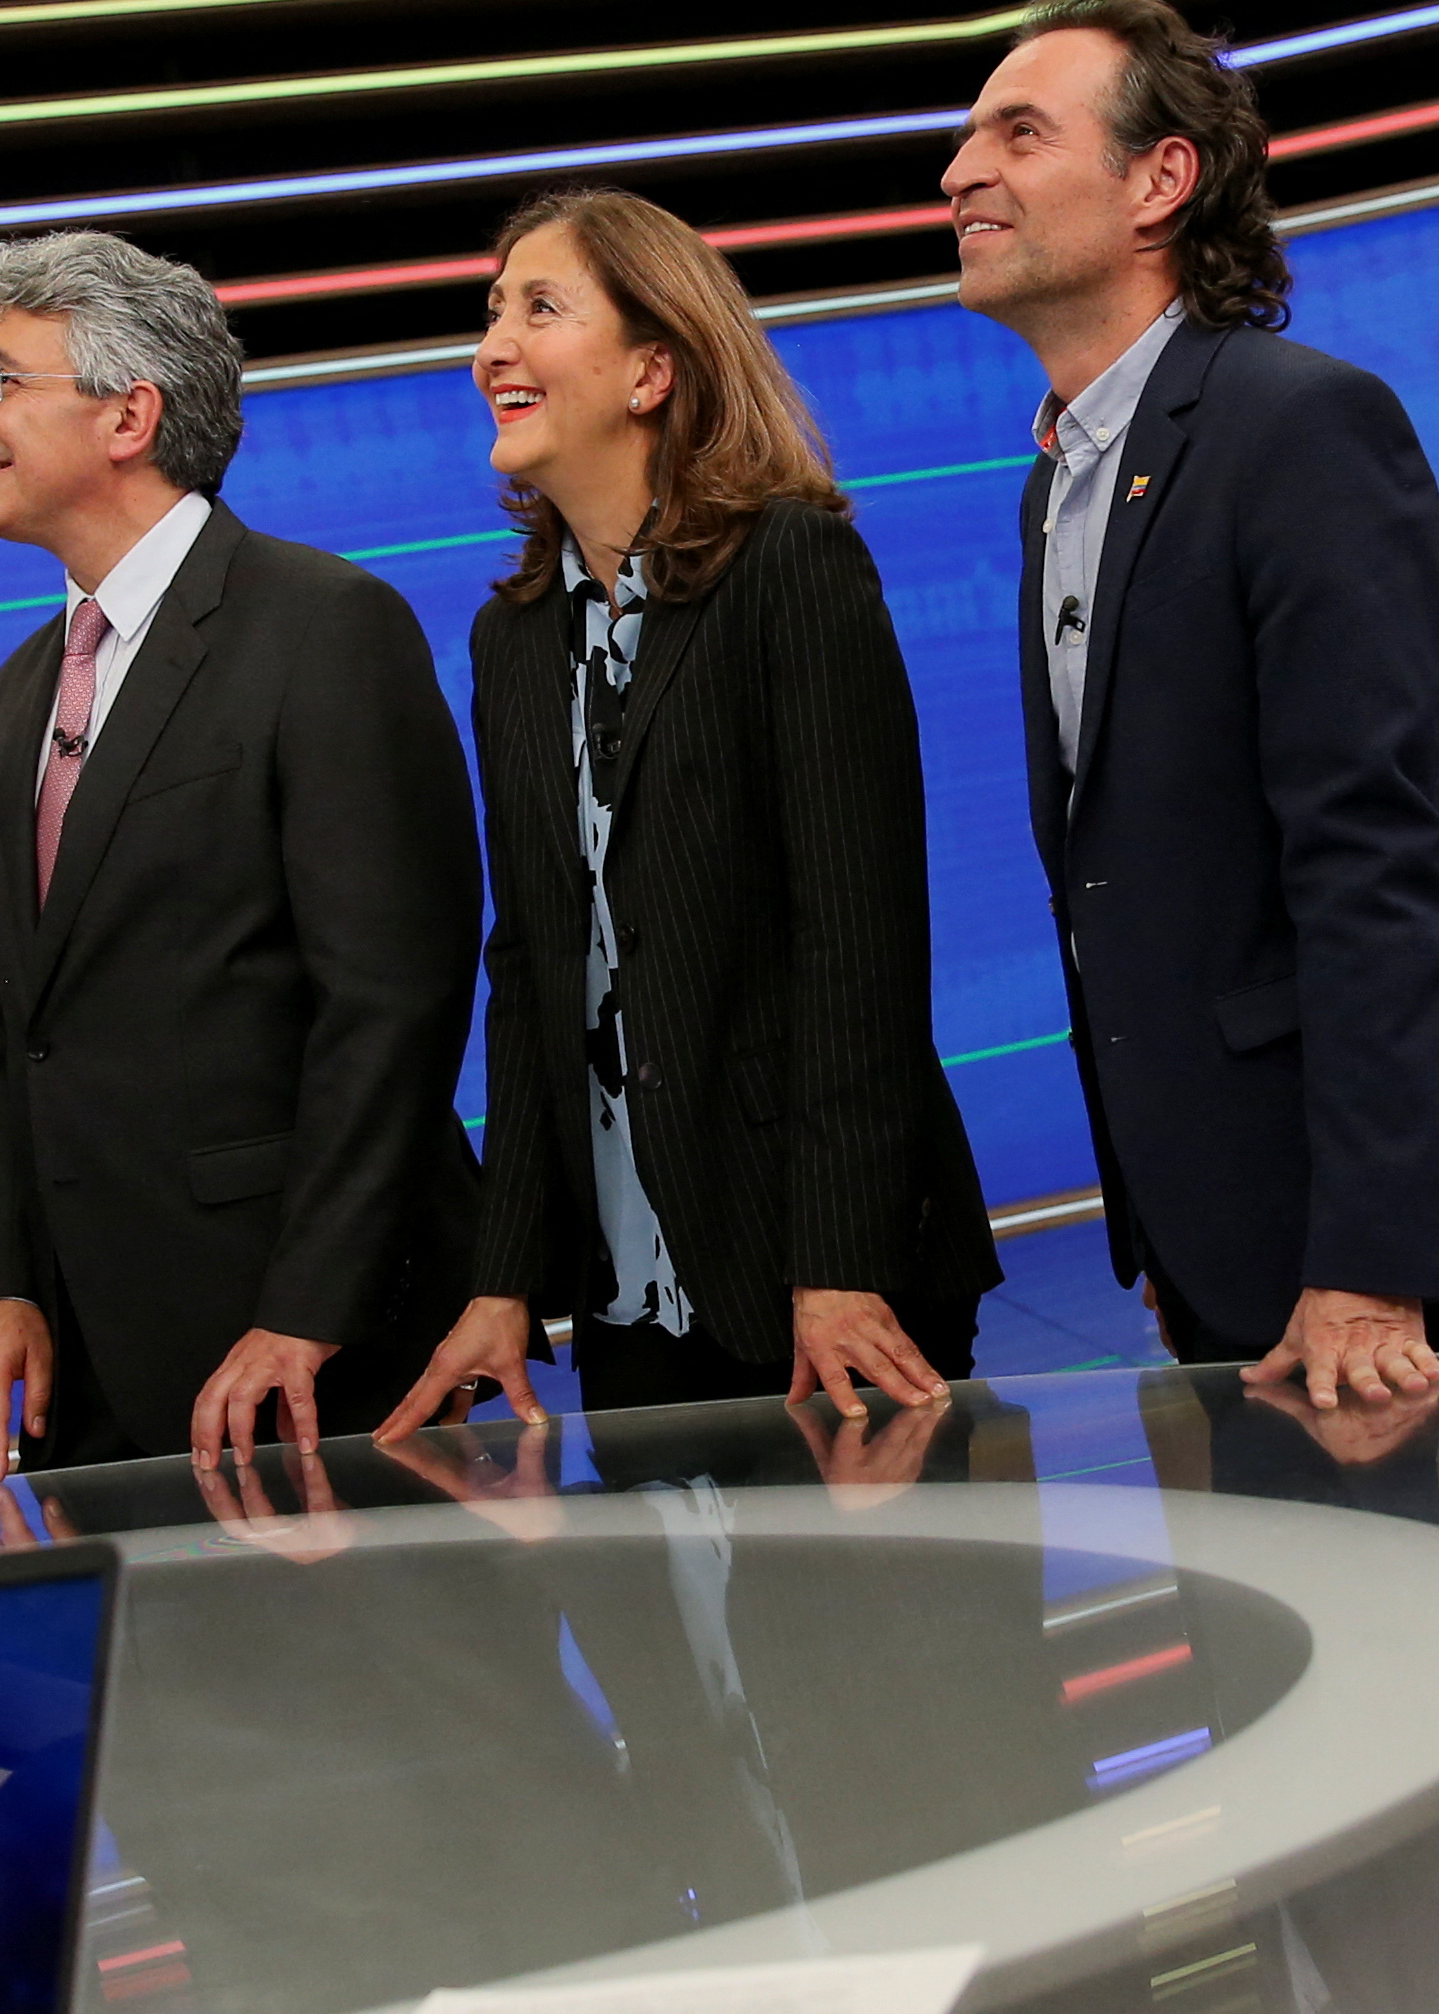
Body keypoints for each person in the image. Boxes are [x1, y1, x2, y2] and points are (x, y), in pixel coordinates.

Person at [941, 0, 1439, 1405]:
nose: (961, 174)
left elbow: (1371, 862)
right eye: (968, 140)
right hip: (1209, 1229)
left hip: (1345, 1253)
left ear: (1162, 179)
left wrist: (1371, 1256)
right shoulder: (1058, 479)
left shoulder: (1299, 425)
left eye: (1019, 134)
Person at [377, 189, 997, 1434]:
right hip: (625, 1294)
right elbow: (533, 963)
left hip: (818, 1278)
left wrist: (838, 1263)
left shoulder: (790, 567)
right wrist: (505, 1281)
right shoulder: (511, 639)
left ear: (653, 369)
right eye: (490, 311)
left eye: (539, 309)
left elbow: (858, 947)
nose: (493, 343)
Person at [0, 229, 479, 1480]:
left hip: (307, 1354)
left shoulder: (324, 628)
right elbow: (0, 1016)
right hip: (79, 1369)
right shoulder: (21, 689)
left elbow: (390, 1002)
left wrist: (307, 1309)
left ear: (129, 415)